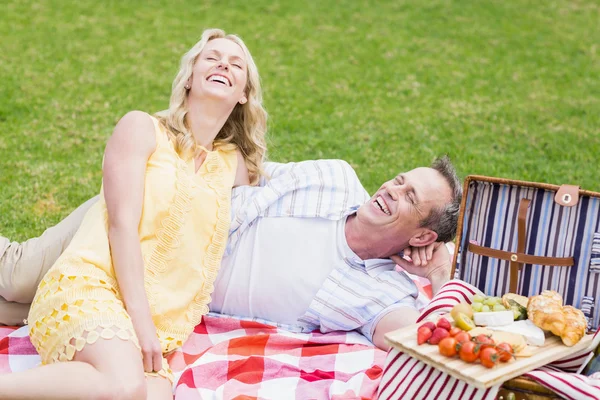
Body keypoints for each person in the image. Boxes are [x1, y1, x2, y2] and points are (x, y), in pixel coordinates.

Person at [0, 28, 267, 400]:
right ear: (189, 78)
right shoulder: (142, 128)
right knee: (124, 384)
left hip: (155, 324)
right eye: (212, 57)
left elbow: (283, 183)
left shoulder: (232, 165)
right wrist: (141, 326)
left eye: (236, 64)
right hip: (91, 288)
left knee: (151, 394)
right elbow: (122, 227)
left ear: (243, 95)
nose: (224, 63)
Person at [0, 156, 461, 354]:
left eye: (409, 196)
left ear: (422, 237)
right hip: (152, 220)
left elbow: (427, 346)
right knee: (17, 277)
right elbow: (245, 167)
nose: (391, 189)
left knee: (17, 313)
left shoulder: (381, 292)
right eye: (400, 179)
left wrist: (442, 277)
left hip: (157, 293)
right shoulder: (335, 178)